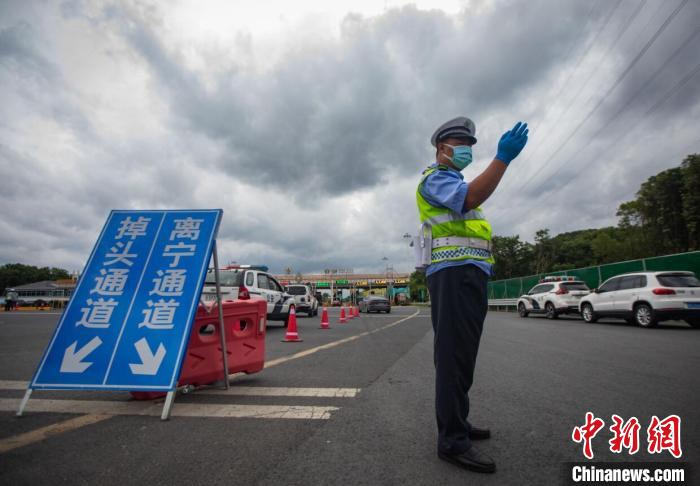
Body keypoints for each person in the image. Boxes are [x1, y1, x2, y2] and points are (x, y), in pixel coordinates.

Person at [416, 116, 528, 473]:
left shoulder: (454, 180)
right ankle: (451, 440)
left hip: (468, 275)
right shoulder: (436, 180)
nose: (465, 149)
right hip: (452, 275)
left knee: (463, 356)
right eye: (459, 143)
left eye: (469, 144)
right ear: (441, 149)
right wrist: (503, 159)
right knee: (452, 357)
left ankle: (458, 424)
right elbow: (471, 197)